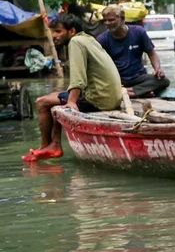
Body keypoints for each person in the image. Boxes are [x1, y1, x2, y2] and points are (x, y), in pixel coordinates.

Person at [24, 14, 124, 162]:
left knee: (42, 102)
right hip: (110, 97)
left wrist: (71, 102)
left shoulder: (76, 42)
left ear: (71, 31)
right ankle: (54, 144)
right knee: (54, 98)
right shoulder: (88, 39)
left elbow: (78, 78)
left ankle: (47, 146)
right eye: (53, 31)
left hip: (99, 100)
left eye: (58, 31)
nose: (54, 36)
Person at [96, 5, 169, 98]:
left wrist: (157, 69)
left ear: (122, 19)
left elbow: (151, 53)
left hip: (138, 78)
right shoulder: (102, 39)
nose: (107, 23)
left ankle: (130, 92)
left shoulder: (138, 32)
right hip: (117, 80)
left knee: (163, 80)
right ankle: (138, 92)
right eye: (105, 20)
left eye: (111, 20)